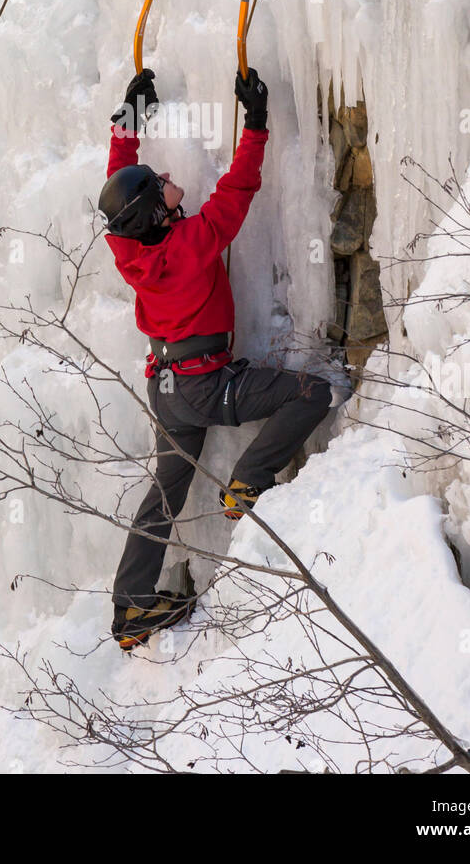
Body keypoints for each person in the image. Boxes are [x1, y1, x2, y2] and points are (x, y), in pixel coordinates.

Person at [99, 65, 334, 651]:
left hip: (168, 390)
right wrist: (255, 123)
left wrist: (128, 122)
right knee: (312, 393)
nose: (169, 176)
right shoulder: (191, 244)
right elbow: (238, 191)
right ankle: (246, 482)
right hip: (209, 386)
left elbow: (118, 187)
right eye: (161, 183)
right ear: (160, 213)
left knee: (164, 495)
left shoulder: (127, 247)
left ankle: (131, 609)